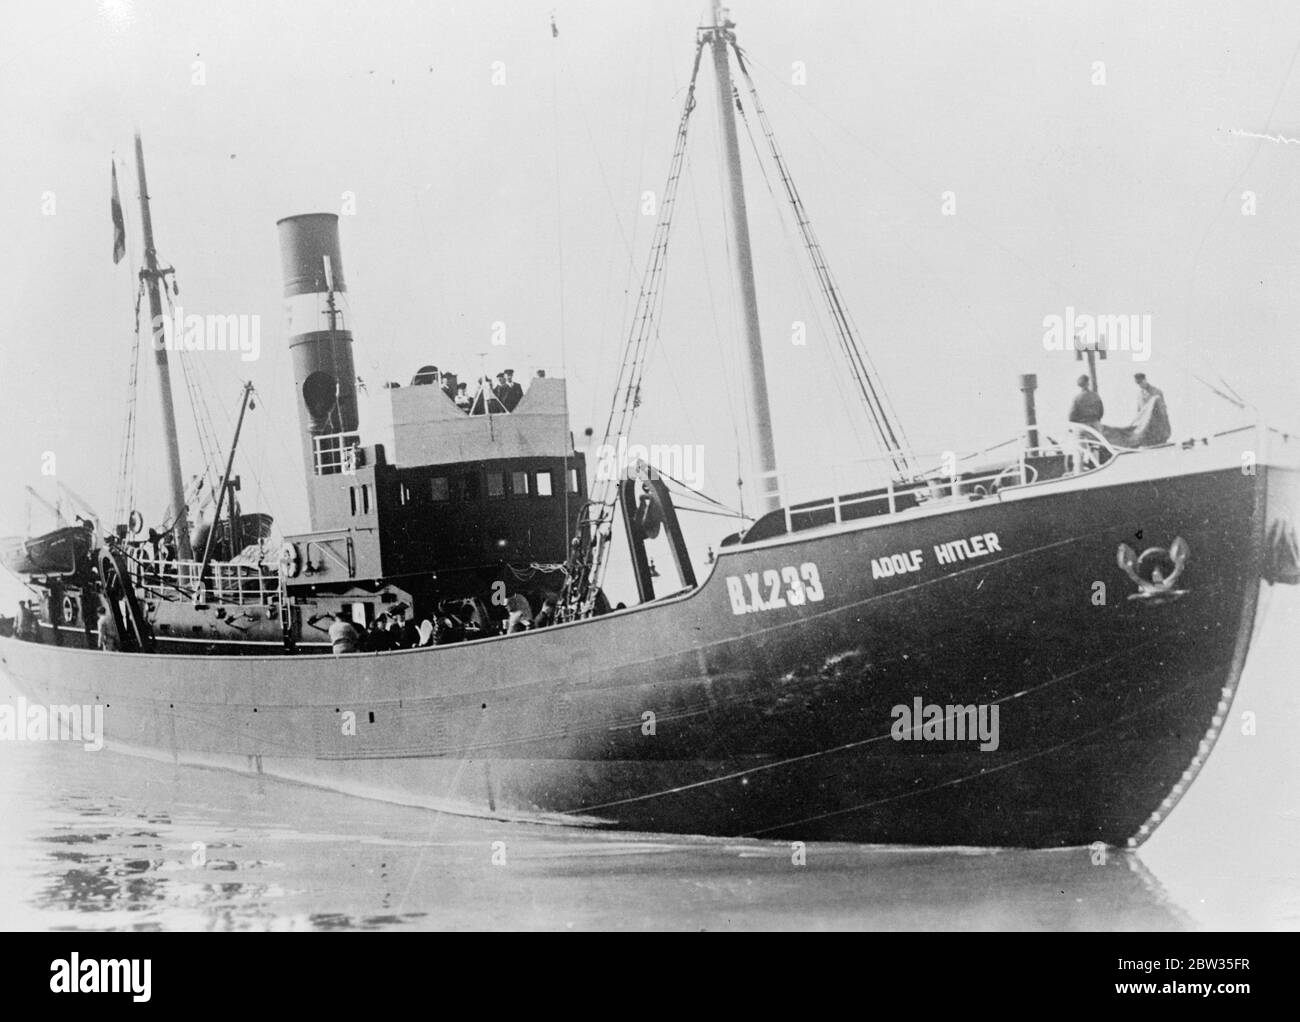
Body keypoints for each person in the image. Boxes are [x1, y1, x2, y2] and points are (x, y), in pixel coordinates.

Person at [1130, 372, 1171, 446]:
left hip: (1158, 429)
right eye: (1138, 383)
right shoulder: (1139, 395)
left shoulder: (1156, 392)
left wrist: (1166, 430)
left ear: (1145, 380)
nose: (1140, 385)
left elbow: (1163, 412)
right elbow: (1139, 413)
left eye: (1140, 382)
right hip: (1147, 431)